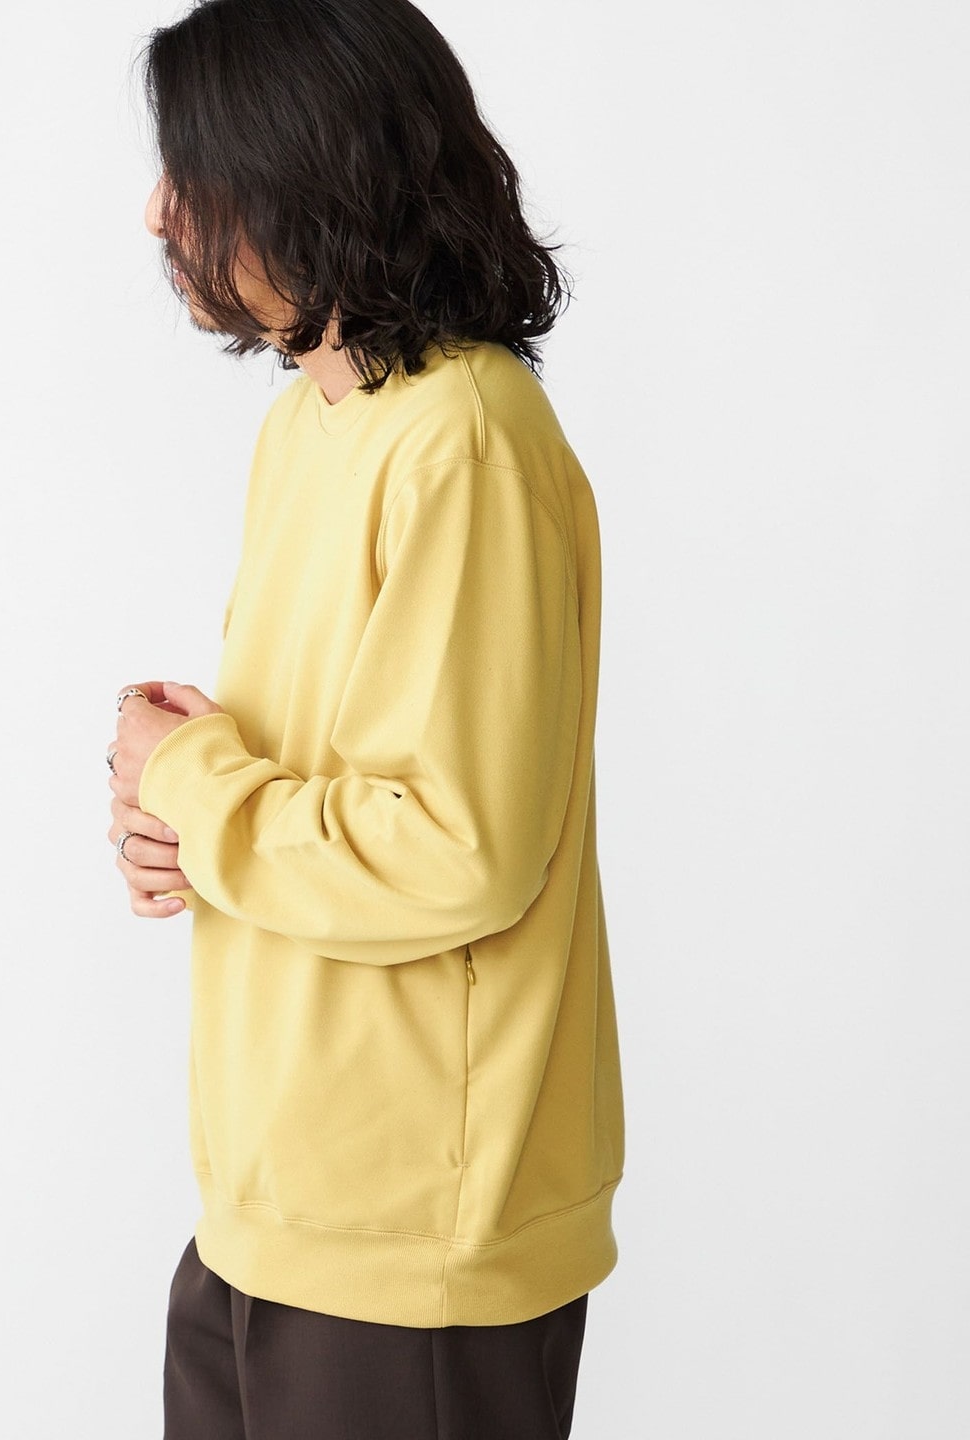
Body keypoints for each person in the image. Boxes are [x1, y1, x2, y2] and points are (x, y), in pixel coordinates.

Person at [106, 2, 624, 1435]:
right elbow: (319, 778)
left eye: (194, 170)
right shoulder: (313, 425)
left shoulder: (465, 439)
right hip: (274, 1206)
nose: (158, 212)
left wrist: (198, 786)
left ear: (303, 170)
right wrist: (176, 817)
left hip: (412, 1248)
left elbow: (457, 851)